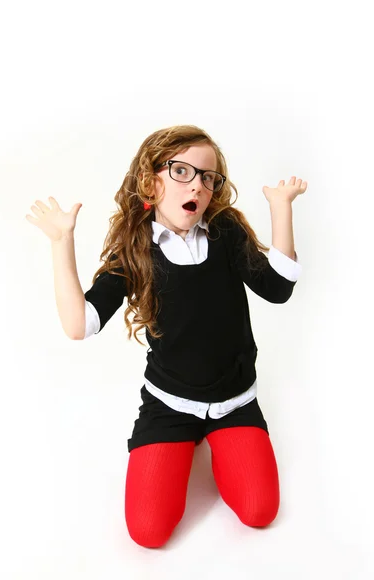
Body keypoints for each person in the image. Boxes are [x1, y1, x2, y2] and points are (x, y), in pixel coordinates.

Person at [26, 124, 307, 549]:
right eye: (182, 171)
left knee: (259, 512)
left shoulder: (225, 231)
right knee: (148, 533)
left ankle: (217, 435)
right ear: (150, 179)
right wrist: (62, 242)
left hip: (235, 400)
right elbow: (79, 324)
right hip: (169, 403)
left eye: (209, 177)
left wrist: (281, 207)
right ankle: (190, 436)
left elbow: (278, 288)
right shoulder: (135, 249)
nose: (199, 185)